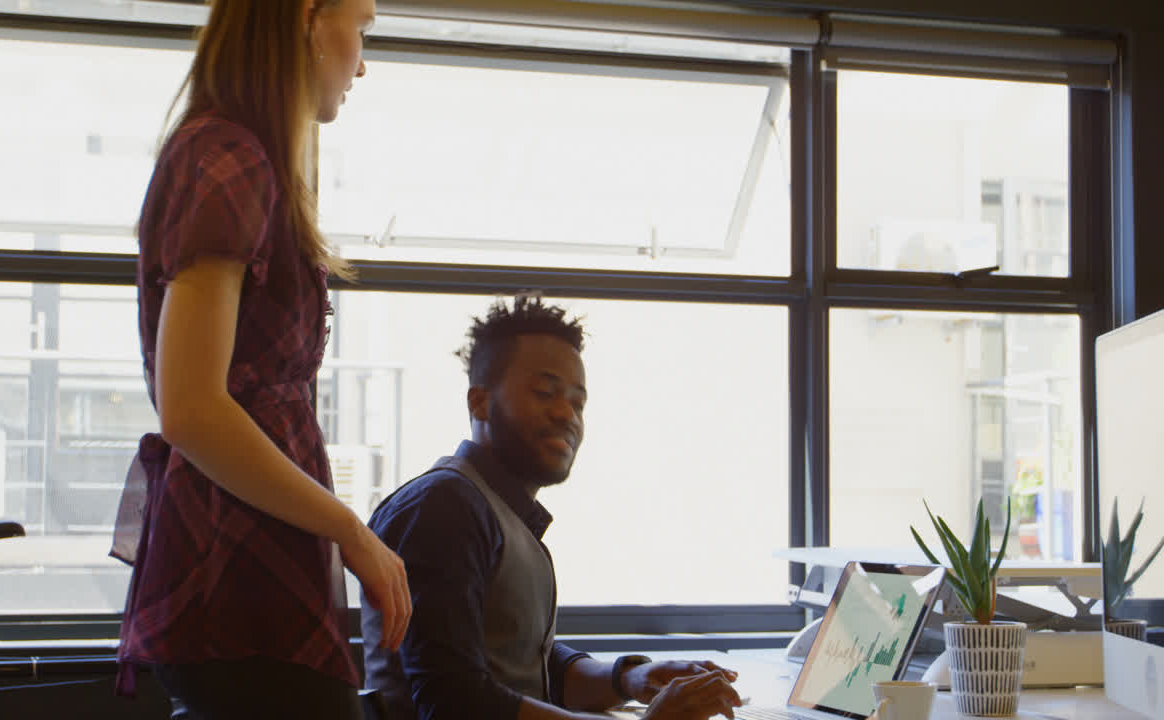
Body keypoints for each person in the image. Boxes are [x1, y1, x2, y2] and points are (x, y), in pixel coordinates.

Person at [115, 1, 410, 718]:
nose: (362, 62)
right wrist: (350, 531)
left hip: (242, 561)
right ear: (308, 19)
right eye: (360, 26)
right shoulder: (229, 155)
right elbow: (192, 407)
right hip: (239, 570)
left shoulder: (233, 155)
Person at [361, 296, 743, 720]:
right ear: (480, 403)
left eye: (578, 402)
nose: (567, 414)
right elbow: (455, 701)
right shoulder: (442, 508)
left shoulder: (496, 510)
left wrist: (630, 679)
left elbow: (526, 662)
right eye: (545, 393)